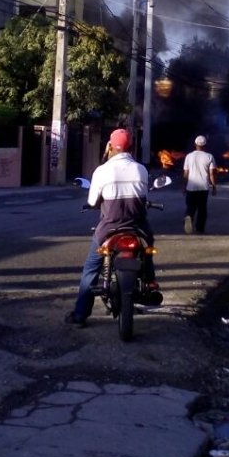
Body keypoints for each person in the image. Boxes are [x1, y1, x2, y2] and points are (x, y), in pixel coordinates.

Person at [65, 128, 153, 328]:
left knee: (91, 269)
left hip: (109, 228)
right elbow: (144, 198)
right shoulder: (141, 170)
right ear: (131, 147)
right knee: (148, 247)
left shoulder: (102, 171)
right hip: (137, 226)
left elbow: (93, 200)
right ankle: (150, 280)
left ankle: (80, 314)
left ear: (110, 146)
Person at [182, 135, 217, 234]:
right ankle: (199, 228)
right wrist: (214, 187)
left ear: (195, 144)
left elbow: (186, 173)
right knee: (202, 209)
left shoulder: (189, 156)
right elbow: (211, 174)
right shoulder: (209, 156)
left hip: (191, 187)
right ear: (205, 145)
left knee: (190, 207)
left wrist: (184, 186)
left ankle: (189, 216)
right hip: (203, 187)